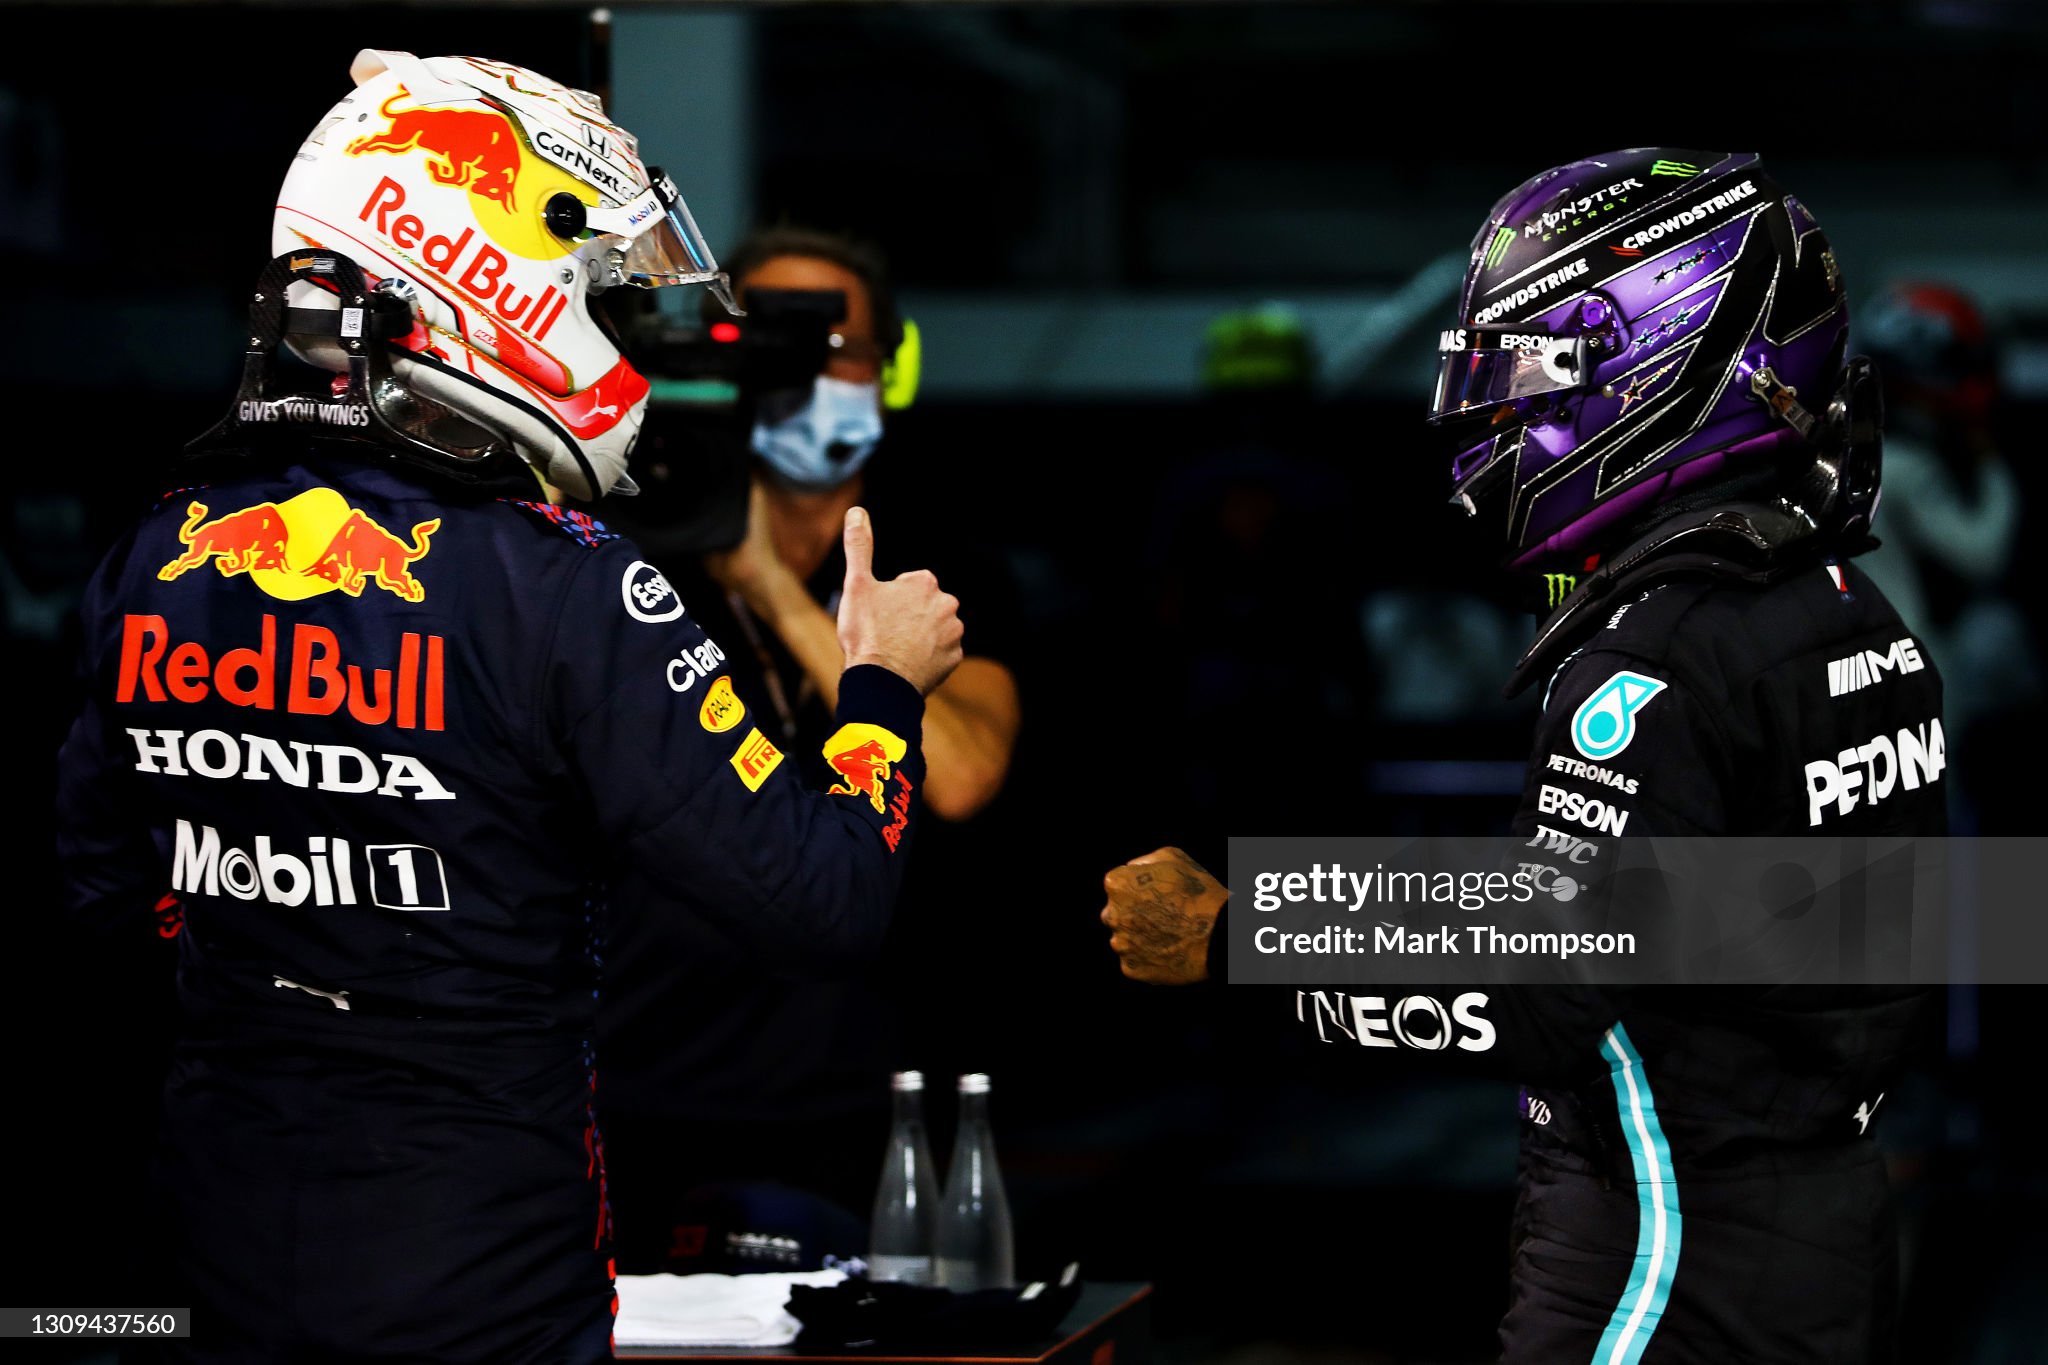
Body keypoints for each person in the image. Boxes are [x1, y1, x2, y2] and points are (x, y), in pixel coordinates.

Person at [55, 51, 961, 1363]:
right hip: (478, 1283)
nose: (615, 323)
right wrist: (878, 682)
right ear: (489, 276)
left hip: (210, 1263)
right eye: (592, 284)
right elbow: (824, 901)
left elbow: (103, 911)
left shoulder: (154, 556)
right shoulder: (565, 588)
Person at [1100, 148, 1944, 1362]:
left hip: (1665, 1239)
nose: (1497, 417)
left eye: (1532, 373)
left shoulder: (1654, 655)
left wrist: (1244, 932)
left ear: (1665, 361)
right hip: (1824, 1222)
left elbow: (1548, 976)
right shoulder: (1850, 616)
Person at [597, 225, 1024, 1267]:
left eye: (838, 343)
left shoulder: (942, 567)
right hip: (634, 1095)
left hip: (863, 1109)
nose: (807, 369)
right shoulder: (612, 558)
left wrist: (773, 592)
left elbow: (962, 773)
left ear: (892, 369)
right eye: (774, 340)